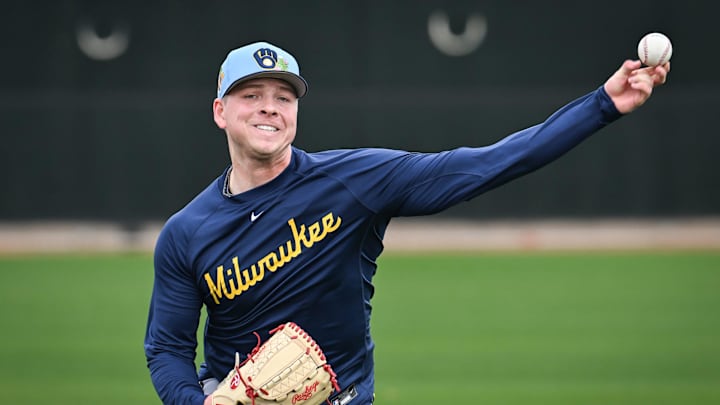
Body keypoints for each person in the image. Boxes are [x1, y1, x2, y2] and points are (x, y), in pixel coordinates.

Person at [144, 40, 670, 405]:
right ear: (220, 111)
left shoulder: (353, 182)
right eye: (251, 95)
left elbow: (489, 163)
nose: (270, 108)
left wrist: (603, 105)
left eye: (283, 97)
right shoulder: (188, 232)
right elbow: (167, 348)